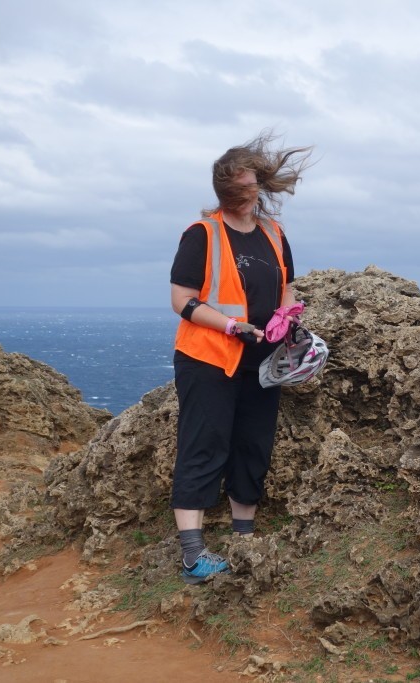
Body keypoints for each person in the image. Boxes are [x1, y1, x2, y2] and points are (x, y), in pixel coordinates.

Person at [168, 132, 312, 584]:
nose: (248, 189)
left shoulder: (273, 233)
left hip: (262, 362)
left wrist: (287, 315)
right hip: (209, 359)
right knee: (203, 447)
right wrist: (232, 326)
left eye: (252, 181)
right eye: (241, 183)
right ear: (226, 188)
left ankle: (244, 539)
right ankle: (193, 555)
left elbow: (287, 284)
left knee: (253, 446)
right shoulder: (202, 234)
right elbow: (182, 300)